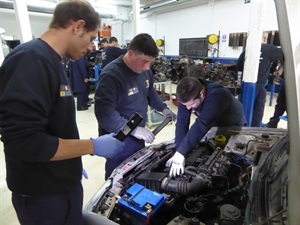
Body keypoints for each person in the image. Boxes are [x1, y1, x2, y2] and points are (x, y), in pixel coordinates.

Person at [0, 1, 124, 225]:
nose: (90, 48)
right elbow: (24, 143)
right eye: (91, 38)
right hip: (43, 195)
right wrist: (92, 145)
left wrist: (71, 164)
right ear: (77, 27)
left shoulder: (54, 61)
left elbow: (52, 126)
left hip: (60, 183)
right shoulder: (30, 59)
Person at [94, 33, 176, 179]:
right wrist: (132, 129)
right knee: (118, 176)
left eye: (150, 62)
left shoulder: (145, 71)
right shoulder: (112, 75)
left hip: (137, 135)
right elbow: (104, 113)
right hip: (118, 138)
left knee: (136, 171)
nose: (147, 67)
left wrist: (163, 108)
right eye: (144, 61)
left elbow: (150, 93)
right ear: (131, 54)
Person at [166, 76, 246, 177]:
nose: (188, 108)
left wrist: (182, 152)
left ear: (201, 94)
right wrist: (179, 151)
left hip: (232, 124)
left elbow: (201, 124)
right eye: (185, 105)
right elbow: (182, 122)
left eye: (191, 104)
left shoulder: (218, 95)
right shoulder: (187, 93)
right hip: (211, 124)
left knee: (234, 157)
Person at [236, 32, 283, 127]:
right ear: (265, 39)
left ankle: (241, 128)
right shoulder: (269, 48)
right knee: (258, 109)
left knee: (243, 108)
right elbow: (286, 54)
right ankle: (254, 128)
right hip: (260, 84)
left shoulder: (248, 50)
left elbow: (239, 65)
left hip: (245, 83)